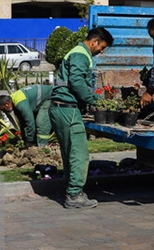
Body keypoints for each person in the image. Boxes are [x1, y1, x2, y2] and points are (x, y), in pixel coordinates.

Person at [49, 27, 114, 209]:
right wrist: (96, 100)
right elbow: (77, 82)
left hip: (60, 108)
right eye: (102, 47)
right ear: (94, 42)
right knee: (79, 153)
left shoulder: (76, 52)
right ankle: (74, 195)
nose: (101, 51)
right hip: (68, 110)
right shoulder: (81, 55)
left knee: (70, 153)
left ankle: (72, 191)